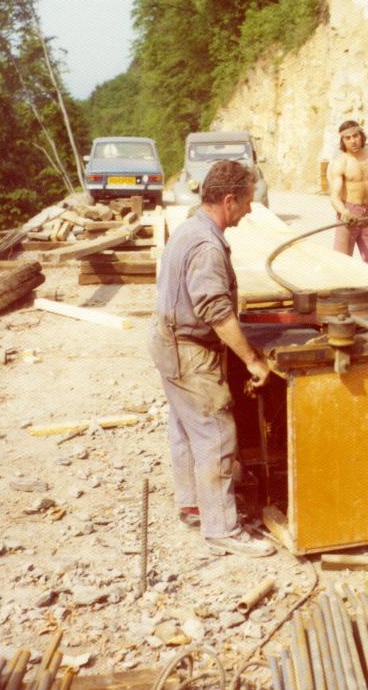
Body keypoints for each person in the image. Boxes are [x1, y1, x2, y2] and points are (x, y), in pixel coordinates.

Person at [148, 159, 275, 557]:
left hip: (168, 340)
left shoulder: (190, 228)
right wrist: (253, 360)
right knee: (217, 434)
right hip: (188, 349)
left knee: (187, 429)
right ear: (229, 200)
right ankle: (221, 528)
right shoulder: (206, 245)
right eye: (248, 202)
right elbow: (215, 311)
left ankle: (192, 505)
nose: (251, 210)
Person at [328, 119, 368, 269]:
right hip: (348, 215)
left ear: (361, 135)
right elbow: (334, 196)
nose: (353, 141)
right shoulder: (340, 161)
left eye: (356, 136)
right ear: (342, 140)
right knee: (340, 263)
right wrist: (344, 212)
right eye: (347, 138)